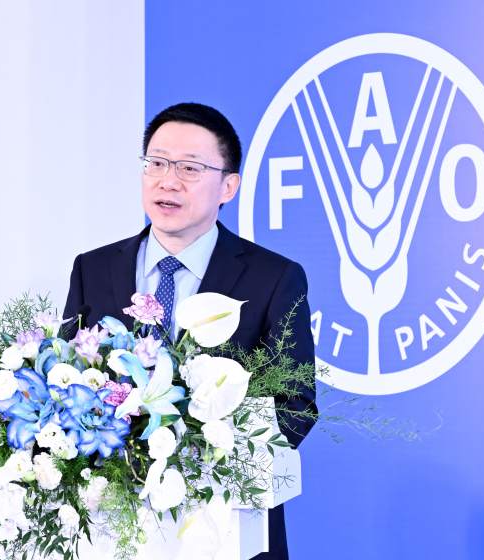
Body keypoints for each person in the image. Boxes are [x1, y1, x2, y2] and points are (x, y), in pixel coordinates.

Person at [63, 102, 317, 560]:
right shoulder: (92, 269)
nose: (168, 181)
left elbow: (295, 405)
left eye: (190, 168)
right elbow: (68, 383)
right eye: (157, 163)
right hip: (113, 530)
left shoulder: (273, 278)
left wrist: (193, 451)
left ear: (228, 186)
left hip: (224, 528)